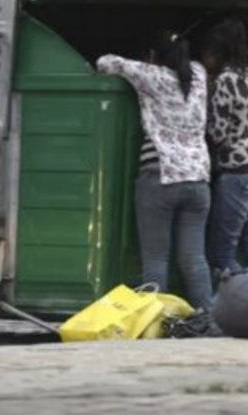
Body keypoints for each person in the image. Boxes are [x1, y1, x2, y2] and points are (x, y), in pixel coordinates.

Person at [97, 32, 214, 311]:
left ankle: (156, 321)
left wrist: (142, 64)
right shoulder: (198, 73)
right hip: (198, 179)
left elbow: (105, 62)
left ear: (153, 56)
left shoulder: (151, 75)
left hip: (160, 176)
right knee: (195, 258)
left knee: (156, 259)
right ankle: (208, 317)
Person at [201, 19, 248, 277]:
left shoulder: (225, 80)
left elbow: (218, 132)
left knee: (222, 255)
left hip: (236, 174)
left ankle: (228, 308)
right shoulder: (247, 75)